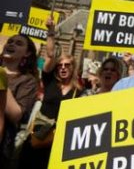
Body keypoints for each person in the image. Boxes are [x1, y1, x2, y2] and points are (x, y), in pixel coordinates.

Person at [19, 16, 84, 169]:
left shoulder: (79, 92)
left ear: (73, 68)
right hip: (38, 137)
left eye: (67, 65)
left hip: (59, 142)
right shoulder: (50, 82)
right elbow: (50, 55)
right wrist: (51, 32)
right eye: (60, 65)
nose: (62, 68)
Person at [0, 34, 39, 166]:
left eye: (18, 43)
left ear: (27, 53)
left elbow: (16, 115)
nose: (11, 44)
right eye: (10, 41)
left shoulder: (28, 81)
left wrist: (2, 80)